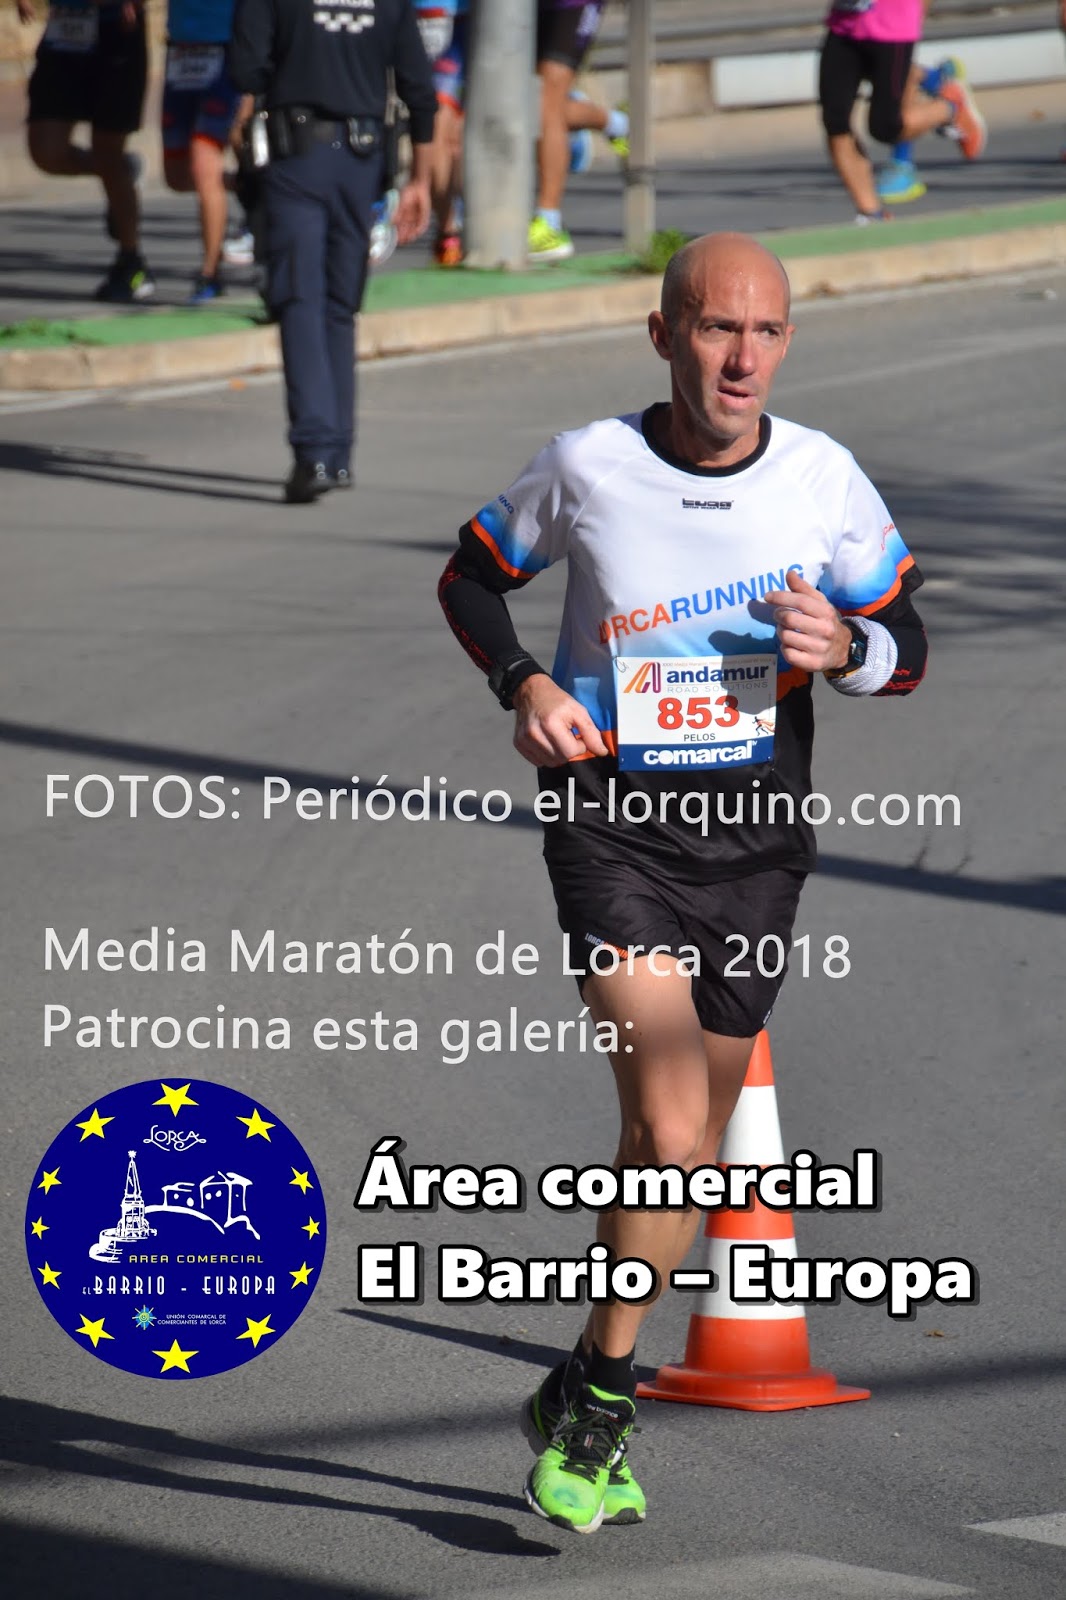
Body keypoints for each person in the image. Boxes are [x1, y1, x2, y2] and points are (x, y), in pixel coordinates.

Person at [438, 232, 928, 1533]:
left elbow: (906, 639)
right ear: (664, 336)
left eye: (765, 333)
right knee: (665, 1132)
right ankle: (603, 1402)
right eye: (716, 329)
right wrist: (522, 684)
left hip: (756, 846)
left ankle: (579, 1379)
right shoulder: (588, 465)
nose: (741, 359)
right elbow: (472, 577)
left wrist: (851, 646)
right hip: (613, 828)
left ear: (785, 342)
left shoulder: (821, 477)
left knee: (682, 1154)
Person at [228, 0, 437, 503]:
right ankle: (338, 453)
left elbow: (246, 69)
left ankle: (315, 451)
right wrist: (421, 180)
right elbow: (419, 88)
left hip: (297, 157)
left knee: (301, 300)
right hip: (362, 159)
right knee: (340, 308)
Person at [17, 0, 153, 301]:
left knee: (107, 150)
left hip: (116, 23)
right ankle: (124, 171)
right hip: (65, 26)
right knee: (46, 152)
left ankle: (131, 259)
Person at [819, 0, 985, 223]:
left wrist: (917, 14)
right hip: (844, 23)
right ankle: (872, 213)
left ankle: (951, 107)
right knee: (835, 121)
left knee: (886, 127)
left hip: (892, 27)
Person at [531, 0, 629, 262]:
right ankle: (614, 124)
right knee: (531, 106)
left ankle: (548, 222)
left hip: (570, 5)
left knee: (545, 97)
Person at [162, 0, 243, 304]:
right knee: (177, 176)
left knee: (203, 163)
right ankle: (256, 185)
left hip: (226, 50)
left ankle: (210, 273)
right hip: (181, 52)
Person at [413, 0, 468, 266]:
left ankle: (453, 228)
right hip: (413, 15)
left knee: (448, 129)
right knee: (437, 125)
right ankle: (448, 228)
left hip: (462, 20)